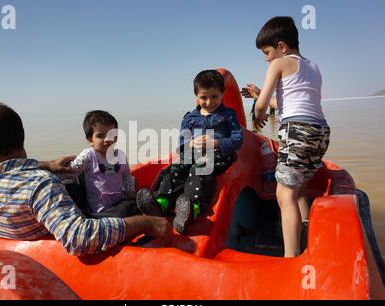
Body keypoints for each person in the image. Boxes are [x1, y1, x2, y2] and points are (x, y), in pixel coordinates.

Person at [0, 103, 172, 255]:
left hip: (20, 236)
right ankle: (153, 207)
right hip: (59, 242)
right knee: (127, 205)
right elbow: (80, 239)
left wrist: (47, 165)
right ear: (22, 136)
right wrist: (144, 223)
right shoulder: (40, 185)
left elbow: (125, 174)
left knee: (73, 179)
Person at [248, 16, 330, 257]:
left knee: (284, 195)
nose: (266, 58)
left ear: (282, 47)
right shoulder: (313, 67)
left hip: (297, 132)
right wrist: (258, 94)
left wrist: (257, 116)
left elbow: (263, 108)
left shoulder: (278, 64)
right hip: (320, 132)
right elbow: (287, 103)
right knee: (300, 191)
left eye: (266, 52)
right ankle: (307, 246)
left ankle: (290, 258)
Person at [137, 70, 243, 234]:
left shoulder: (228, 116)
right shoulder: (190, 118)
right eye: (204, 97)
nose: (209, 102)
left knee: (200, 167)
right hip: (193, 152)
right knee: (175, 167)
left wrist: (216, 143)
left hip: (219, 154)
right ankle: (161, 203)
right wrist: (191, 143)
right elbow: (181, 145)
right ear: (196, 95)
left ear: (222, 94)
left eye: (214, 96)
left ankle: (192, 209)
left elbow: (238, 140)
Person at [56, 110, 160, 218]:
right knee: (125, 210)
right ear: (90, 140)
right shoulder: (88, 155)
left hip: (119, 202)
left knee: (130, 202)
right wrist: (51, 176)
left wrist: (130, 191)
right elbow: (71, 171)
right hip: (98, 211)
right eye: (100, 136)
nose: (107, 139)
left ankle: (148, 207)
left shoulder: (120, 155)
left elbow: (126, 175)